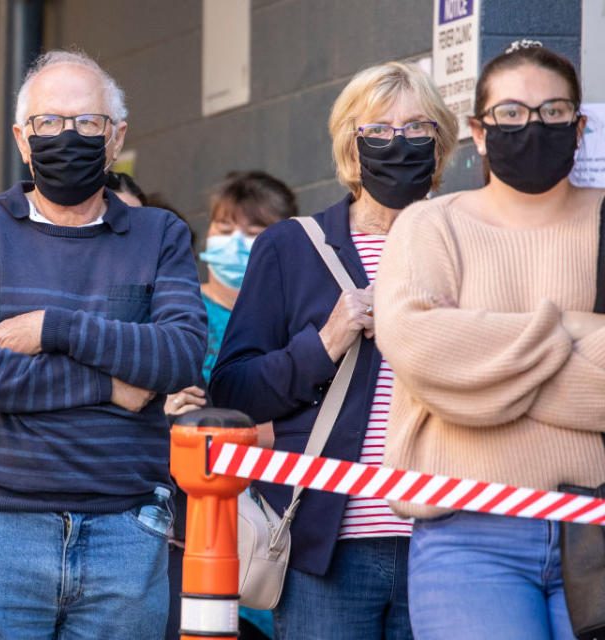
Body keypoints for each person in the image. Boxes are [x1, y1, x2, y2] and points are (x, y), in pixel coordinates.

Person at [0, 49, 206, 639]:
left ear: (117, 137)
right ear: (22, 141)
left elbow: (179, 353)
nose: (68, 136)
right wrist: (109, 382)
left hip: (125, 532)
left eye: (87, 123)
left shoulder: (160, 234)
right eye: (48, 123)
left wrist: (55, 328)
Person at [209, 62, 457, 639]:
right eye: (379, 130)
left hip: (449, 541)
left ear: (440, 143)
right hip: (327, 549)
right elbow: (233, 390)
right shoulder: (292, 248)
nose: (398, 143)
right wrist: (324, 344)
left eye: (417, 129)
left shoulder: (466, 242)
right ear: (352, 144)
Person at [374, 43, 603, 638]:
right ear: (478, 131)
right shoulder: (431, 224)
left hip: (598, 529)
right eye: (510, 113)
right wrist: (575, 330)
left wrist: (480, 375)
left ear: (579, 126)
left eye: (554, 112)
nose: (533, 126)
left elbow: (451, 366)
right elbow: (419, 345)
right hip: (470, 537)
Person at [164, 170, 297, 640]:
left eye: (255, 231)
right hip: (195, 524)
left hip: (280, 520)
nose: (236, 242)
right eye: (224, 228)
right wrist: (271, 436)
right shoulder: (184, 316)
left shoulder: (298, 326)